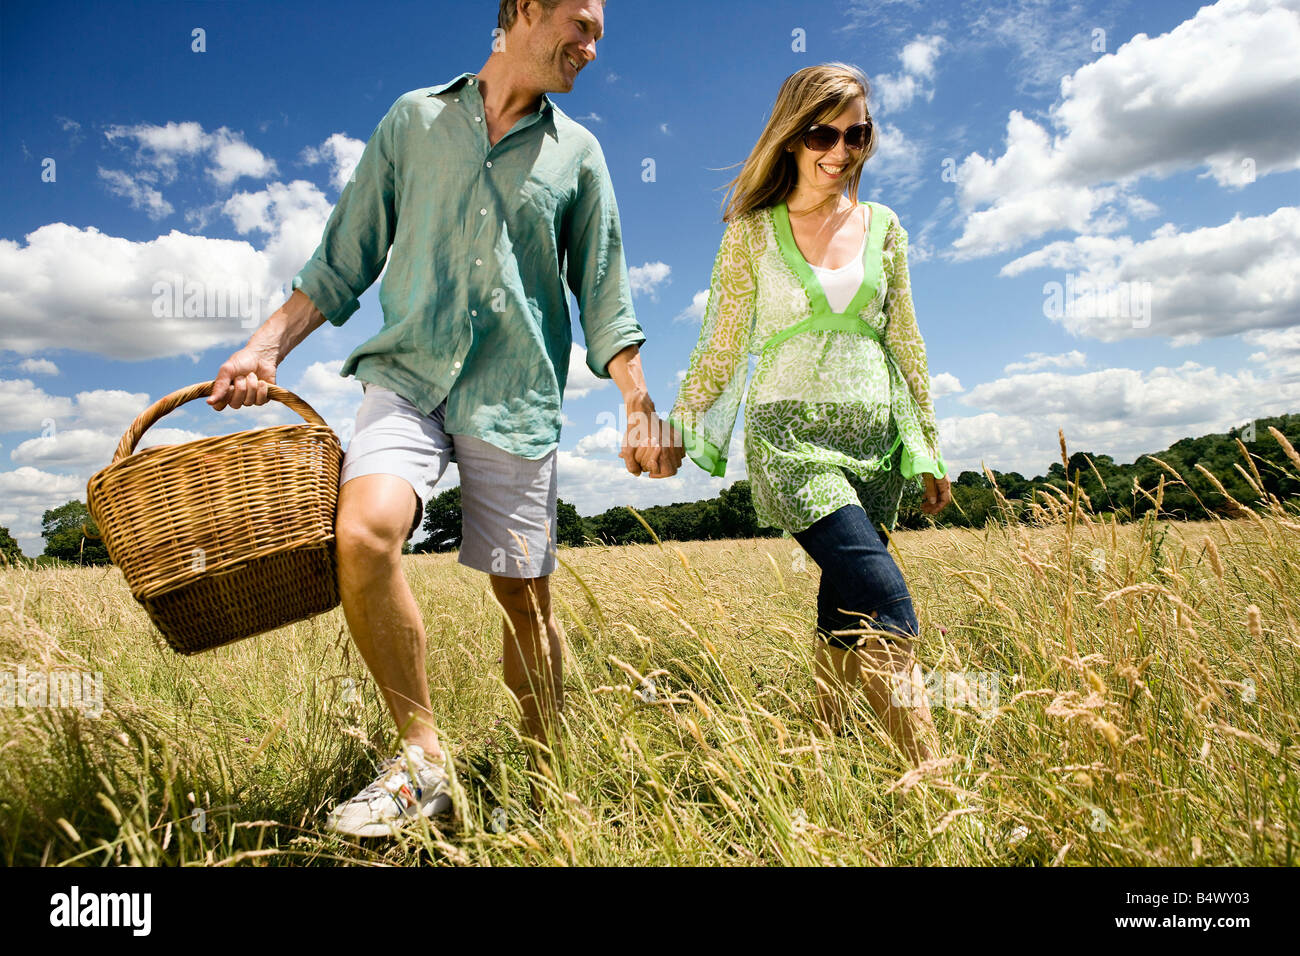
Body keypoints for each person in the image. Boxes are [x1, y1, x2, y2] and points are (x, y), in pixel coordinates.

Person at [208, 0, 676, 836]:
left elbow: (604, 294)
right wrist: (265, 346)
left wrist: (638, 402)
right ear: (524, 10)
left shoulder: (580, 155)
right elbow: (345, 254)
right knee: (363, 534)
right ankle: (422, 764)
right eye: (582, 24)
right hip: (409, 376)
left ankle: (545, 780)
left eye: (599, 31)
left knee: (524, 604)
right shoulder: (415, 120)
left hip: (515, 393)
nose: (593, 46)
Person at [666, 62, 952, 764]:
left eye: (857, 135)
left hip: (876, 442)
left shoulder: (885, 228)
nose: (840, 151)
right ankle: (936, 780)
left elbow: (906, 338)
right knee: (888, 606)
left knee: (845, 606)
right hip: (790, 439)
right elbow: (721, 344)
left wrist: (929, 448)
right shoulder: (752, 234)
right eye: (823, 133)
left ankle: (820, 750)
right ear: (792, 136)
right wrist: (673, 424)